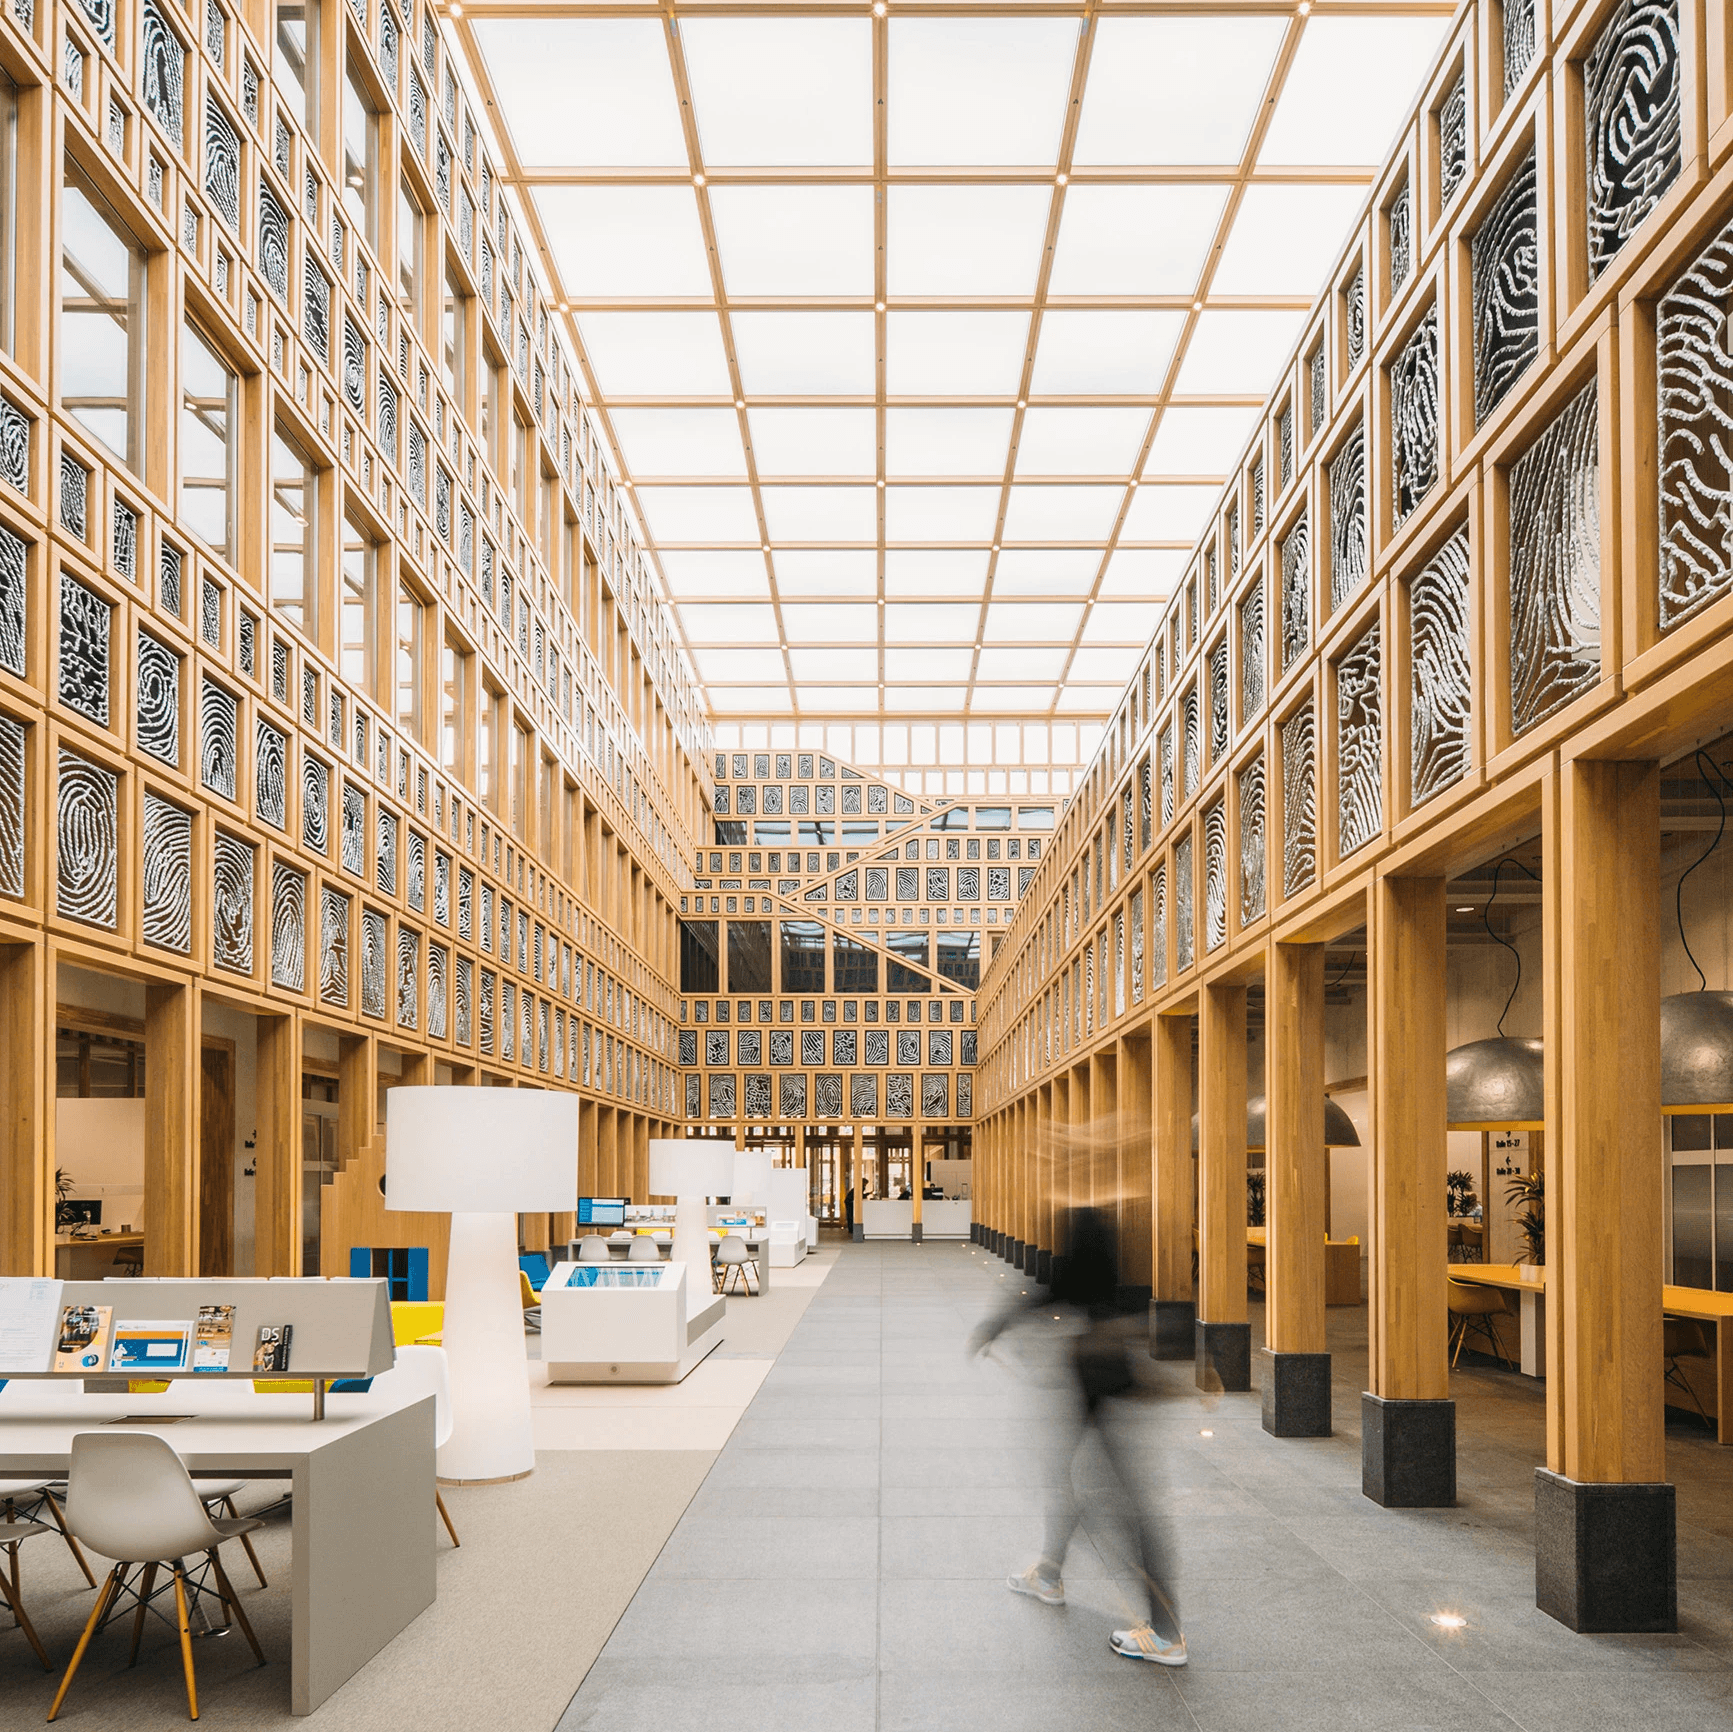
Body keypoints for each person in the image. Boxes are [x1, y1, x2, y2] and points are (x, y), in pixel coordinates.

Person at [967, 1204, 1186, 1667]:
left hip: (1097, 1371)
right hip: (1103, 1370)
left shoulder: (1086, 1222)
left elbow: (1061, 1286)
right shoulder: (1111, 1220)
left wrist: (997, 1325)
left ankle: (1167, 1634)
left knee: (1118, 1502)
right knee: (1072, 1475)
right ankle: (1049, 1573)